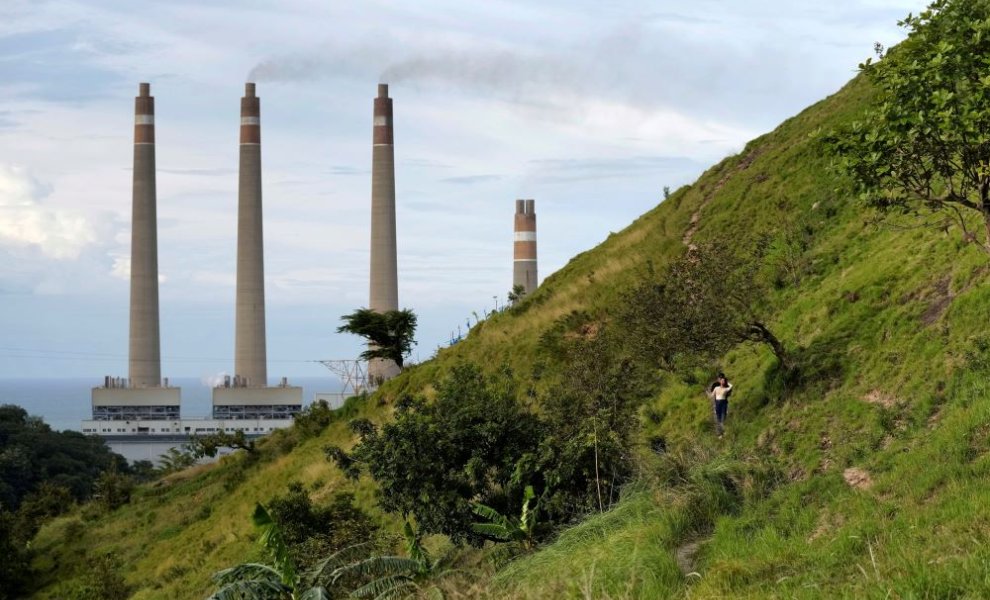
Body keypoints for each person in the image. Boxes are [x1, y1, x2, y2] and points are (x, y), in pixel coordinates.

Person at [706, 372, 733, 437]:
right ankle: (719, 433)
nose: (720, 379)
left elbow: (729, 393)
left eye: (722, 378)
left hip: (724, 402)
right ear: (718, 378)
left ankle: (724, 432)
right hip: (717, 402)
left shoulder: (726, 384)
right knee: (718, 418)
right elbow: (712, 394)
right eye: (719, 378)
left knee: (723, 417)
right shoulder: (715, 385)